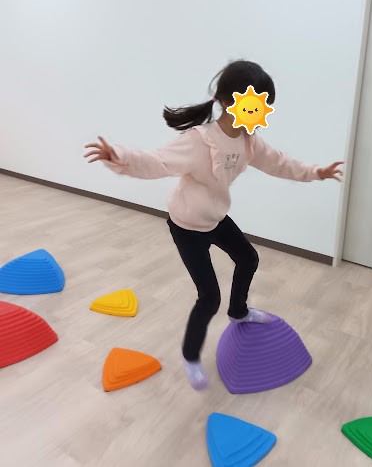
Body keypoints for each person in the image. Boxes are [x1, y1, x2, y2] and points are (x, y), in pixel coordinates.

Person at [84, 60, 343, 390]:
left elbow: (279, 162)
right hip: (187, 225)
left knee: (248, 258)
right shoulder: (200, 140)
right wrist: (118, 156)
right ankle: (190, 356)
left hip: (215, 218)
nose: (254, 113)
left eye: (261, 106)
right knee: (209, 297)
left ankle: (239, 311)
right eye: (249, 104)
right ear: (224, 101)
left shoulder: (249, 141)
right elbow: (157, 161)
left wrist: (316, 172)